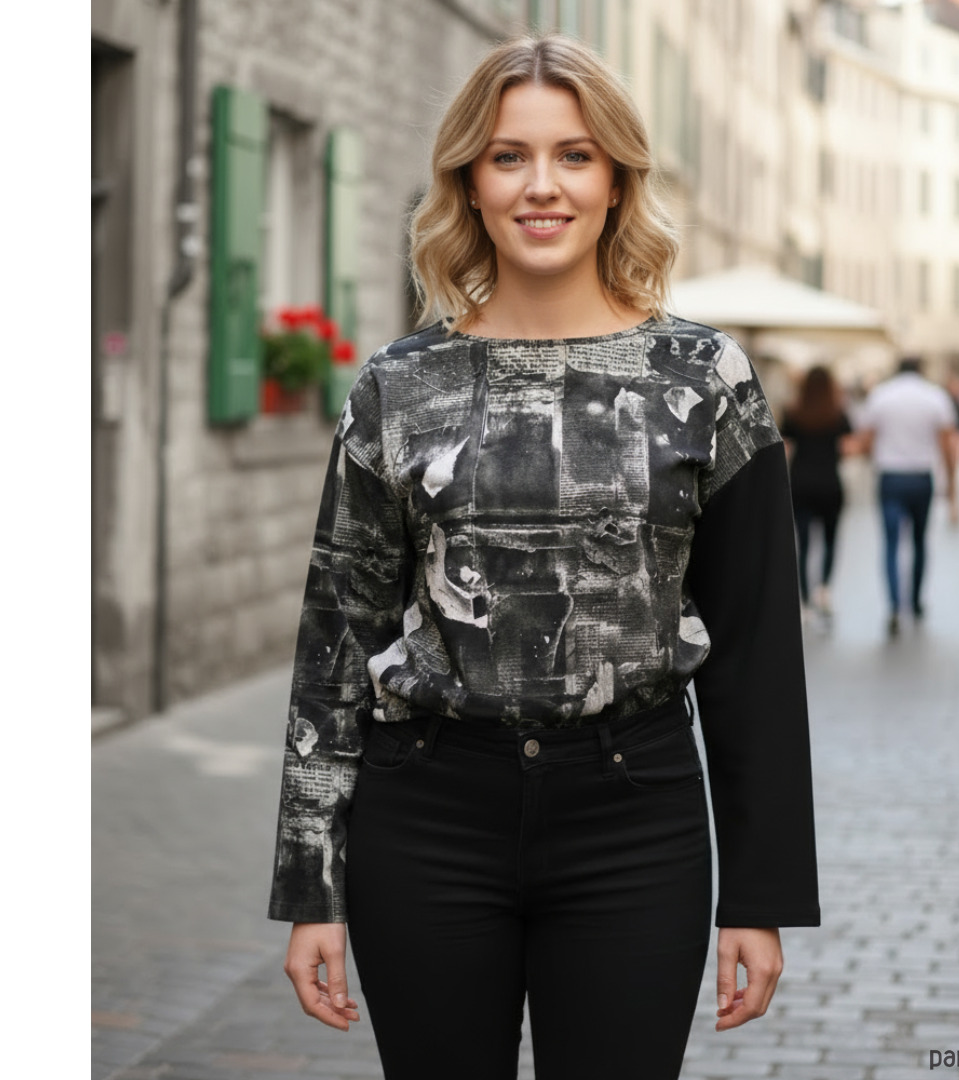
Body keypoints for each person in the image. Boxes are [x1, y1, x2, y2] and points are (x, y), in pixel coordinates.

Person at [267, 34, 819, 1080]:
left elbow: (756, 657)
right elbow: (337, 641)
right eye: (508, 156)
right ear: (469, 184)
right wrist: (311, 886)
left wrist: (761, 895)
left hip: (636, 818)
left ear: (616, 180)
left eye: (574, 155)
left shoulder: (705, 377)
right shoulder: (396, 385)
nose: (541, 185)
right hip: (425, 818)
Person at [855, 356, 958, 636]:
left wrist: (879, 455)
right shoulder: (935, 397)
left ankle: (893, 605)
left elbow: (865, 442)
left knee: (891, 543)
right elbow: (947, 446)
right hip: (921, 477)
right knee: (919, 541)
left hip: (891, 477)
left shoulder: (880, 396)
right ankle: (915, 601)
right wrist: (951, 487)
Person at [780, 365, 857, 623]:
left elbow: (784, 447)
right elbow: (848, 447)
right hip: (830, 483)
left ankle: (804, 602)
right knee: (830, 539)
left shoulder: (793, 412)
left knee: (803, 544)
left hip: (801, 483)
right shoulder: (838, 413)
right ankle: (824, 589)